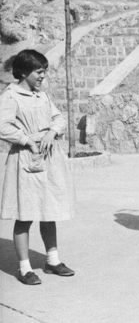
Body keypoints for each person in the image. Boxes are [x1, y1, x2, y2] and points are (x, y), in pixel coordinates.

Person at [0, 49, 75, 285]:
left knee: (48, 210)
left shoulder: (41, 96)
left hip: (48, 157)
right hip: (26, 159)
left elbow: (59, 118)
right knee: (25, 214)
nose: (42, 76)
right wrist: (26, 139)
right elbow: (2, 125)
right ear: (23, 72)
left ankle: (52, 260)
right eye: (38, 72)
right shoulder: (11, 96)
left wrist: (52, 132)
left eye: (44, 71)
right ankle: (24, 268)